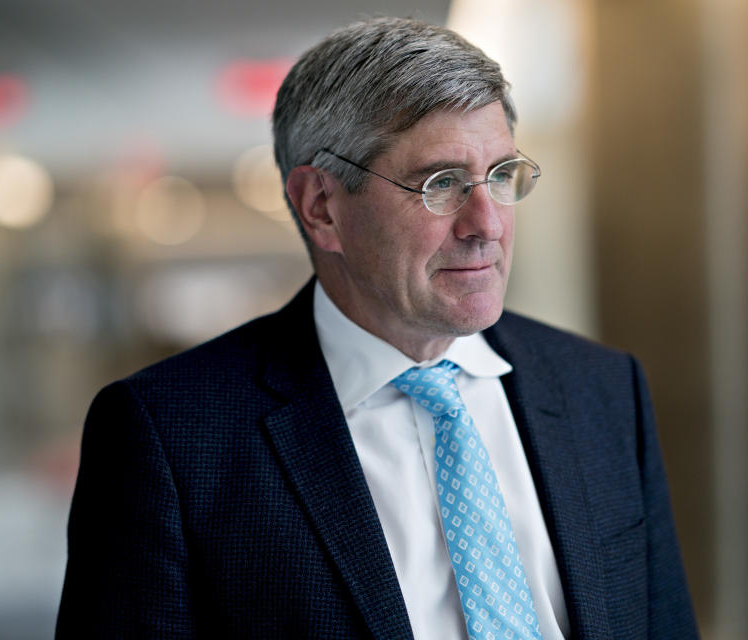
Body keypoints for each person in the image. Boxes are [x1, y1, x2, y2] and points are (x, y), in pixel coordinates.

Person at [55, 17, 697, 639]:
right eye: (441, 184)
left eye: (501, 176)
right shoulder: (170, 437)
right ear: (322, 207)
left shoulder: (602, 389)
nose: (488, 223)